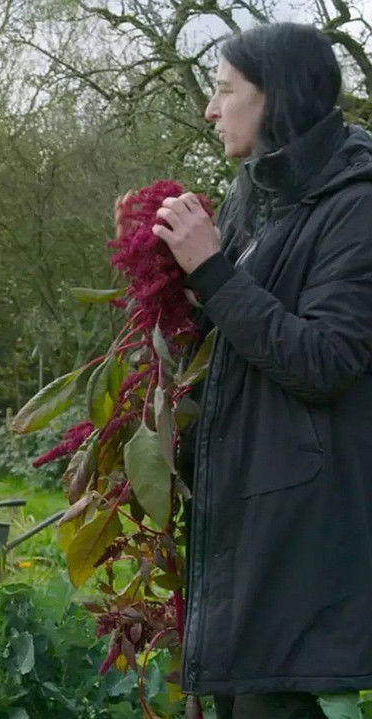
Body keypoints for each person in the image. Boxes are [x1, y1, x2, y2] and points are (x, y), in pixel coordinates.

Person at [152, 23, 372, 718]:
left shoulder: (357, 204)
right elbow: (243, 342)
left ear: (274, 99)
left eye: (224, 91)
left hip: (304, 554)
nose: (210, 110)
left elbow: (326, 360)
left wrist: (214, 272)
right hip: (246, 537)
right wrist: (182, 291)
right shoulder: (255, 196)